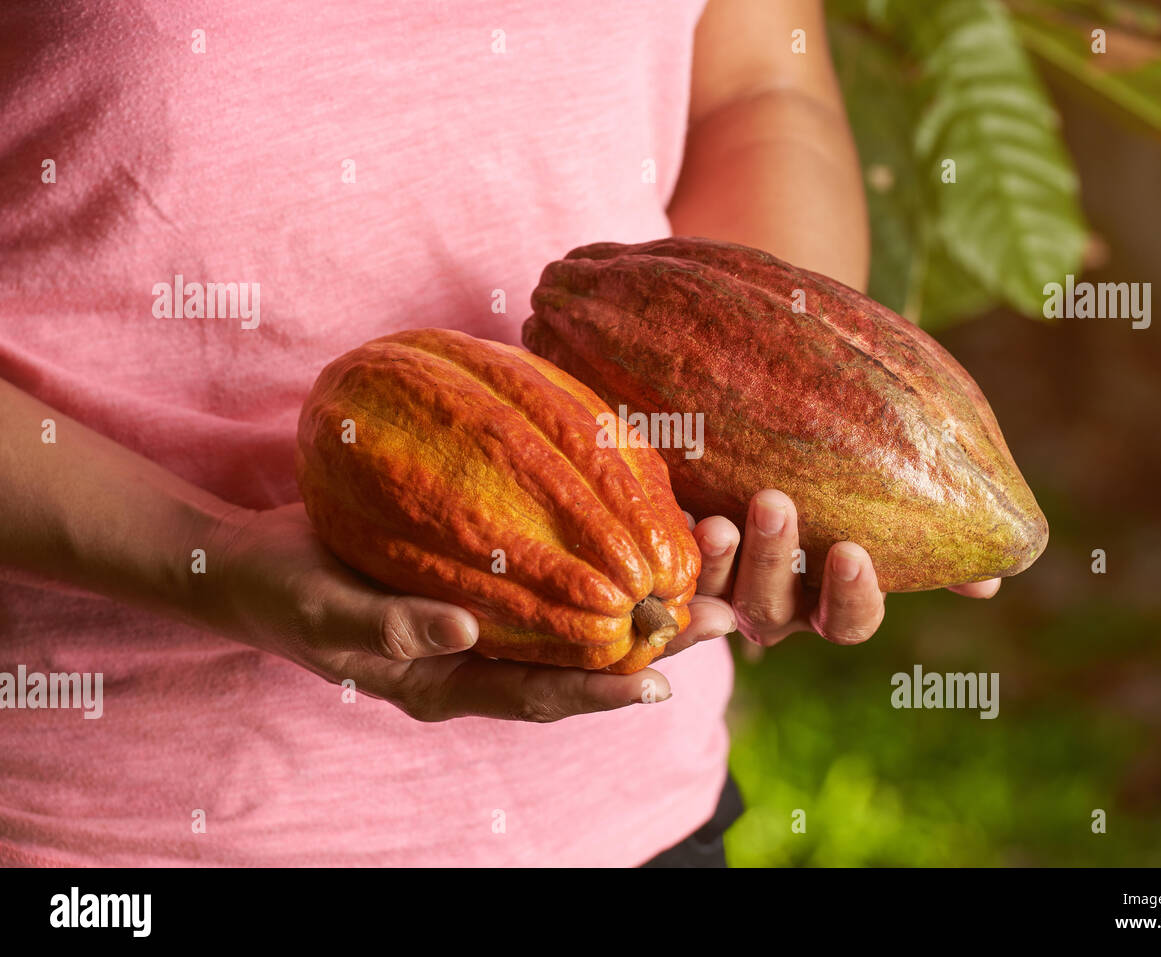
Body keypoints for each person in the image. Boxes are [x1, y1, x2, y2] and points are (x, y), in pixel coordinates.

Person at [0, 0, 996, 867]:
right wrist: (199, 557)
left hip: (619, 805)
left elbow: (755, 87)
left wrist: (774, 428)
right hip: (109, 824)